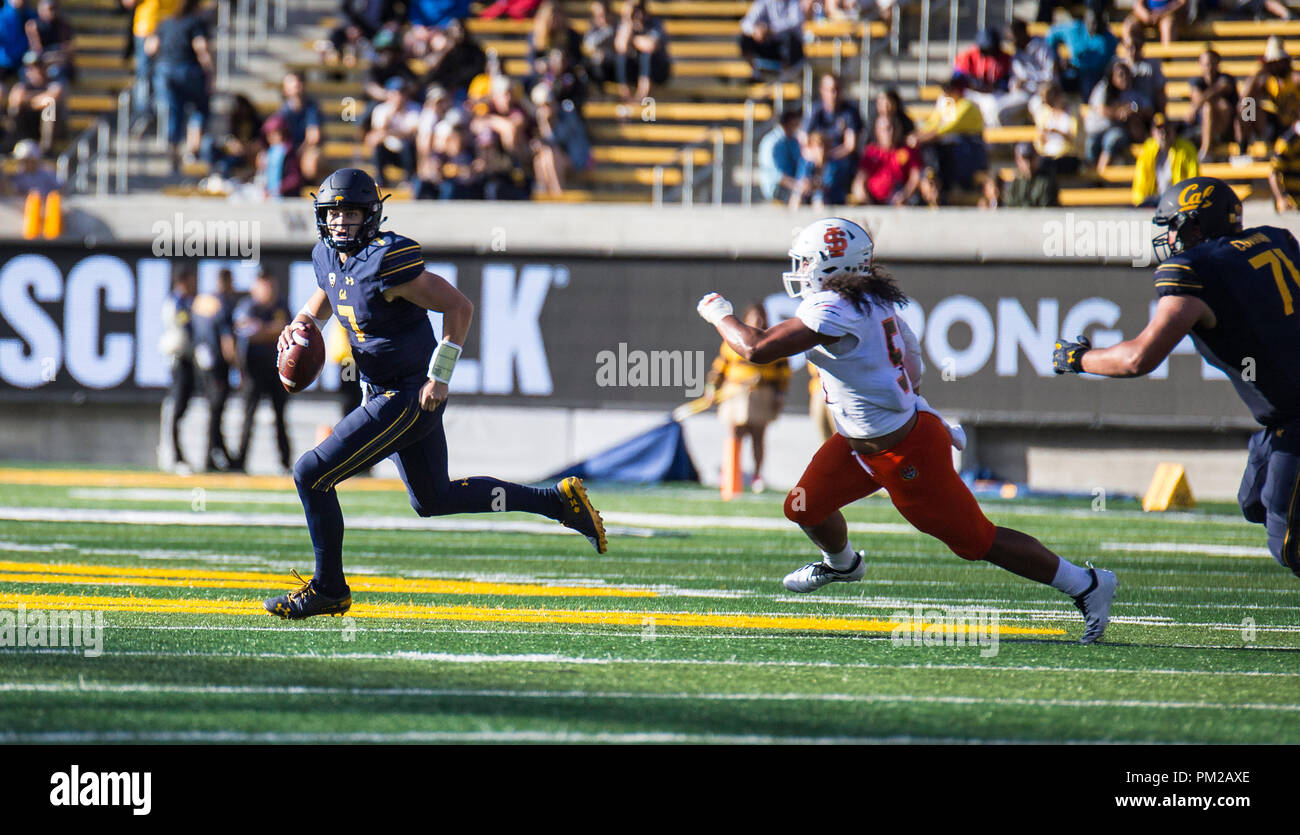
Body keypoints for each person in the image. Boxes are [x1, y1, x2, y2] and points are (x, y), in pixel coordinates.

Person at [695, 217, 1117, 644]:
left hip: (904, 453)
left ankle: (1086, 584)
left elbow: (756, 348)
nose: (800, 270)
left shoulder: (834, 307)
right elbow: (913, 367)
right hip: (859, 445)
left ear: (830, 265)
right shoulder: (874, 303)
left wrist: (719, 313)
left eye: (806, 262)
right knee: (803, 506)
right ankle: (842, 564)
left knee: (976, 542)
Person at [263, 168, 607, 619]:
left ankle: (329, 586)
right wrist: (302, 324)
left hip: (407, 395)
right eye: (334, 214)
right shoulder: (327, 256)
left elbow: (458, 305)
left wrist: (439, 374)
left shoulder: (388, 261)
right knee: (433, 499)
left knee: (311, 472)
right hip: (381, 391)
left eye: (351, 213)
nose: (341, 223)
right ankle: (558, 502)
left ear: (371, 215)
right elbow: (327, 295)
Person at [1052, 176, 1300, 581]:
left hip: (1294, 418)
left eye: (1174, 225)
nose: (1168, 235)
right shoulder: (1276, 239)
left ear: (1197, 225)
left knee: (1289, 540)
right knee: (1254, 499)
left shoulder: (1196, 271)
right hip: (1281, 420)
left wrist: (1079, 359)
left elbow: (1138, 358)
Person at [707, 302, 791, 493]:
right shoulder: (733, 340)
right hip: (735, 392)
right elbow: (719, 367)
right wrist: (711, 387)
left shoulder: (772, 340)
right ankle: (731, 474)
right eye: (754, 316)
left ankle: (757, 476)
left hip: (761, 392)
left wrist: (780, 394)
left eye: (761, 316)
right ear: (746, 319)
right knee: (734, 433)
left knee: (758, 435)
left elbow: (783, 372)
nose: (758, 321)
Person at [233, 270, 291, 474]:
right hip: (253, 369)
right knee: (249, 415)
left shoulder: (281, 305)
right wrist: (270, 331)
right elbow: (246, 331)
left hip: (276, 369)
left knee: (280, 416)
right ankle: (240, 461)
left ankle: (285, 461)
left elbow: (285, 329)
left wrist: (263, 330)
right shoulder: (248, 306)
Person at [147, 0, 212, 172]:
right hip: (189, 70)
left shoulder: (165, 23)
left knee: (174, 111)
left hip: (166, 71)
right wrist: (211, 72)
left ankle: (174, 148)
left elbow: (150, 48)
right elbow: (201, 48)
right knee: (200, 108)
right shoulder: (196, 23)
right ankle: (192, 149)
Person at [190, 268, 239, 472]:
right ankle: (211, 455)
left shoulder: (201, 301)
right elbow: (227, 340)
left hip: (201, 362)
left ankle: (218, 453)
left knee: (213, 409)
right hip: (218, 364)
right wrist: (238, 366)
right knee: (217, 410)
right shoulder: (222, 304)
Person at [799, 73, 862, 205]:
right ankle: (800, 198)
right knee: (804, 165)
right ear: (822, 90)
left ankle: (823, 197)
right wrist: (818, 155)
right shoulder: (815, 111)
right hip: (817, 158)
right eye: (830, 90)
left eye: (837, 89)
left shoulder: (850, 113)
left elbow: (850, 146)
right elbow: (803, 141)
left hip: (839, 159)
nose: (833, 94)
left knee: (835, 170)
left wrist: (827, 155)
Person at [1084, 60, 1152, 174]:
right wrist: (1118, 113)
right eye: (1120, 75)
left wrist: (1134, 111)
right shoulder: (1104, 89)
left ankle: (1099, 174)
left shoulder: (1135, 93)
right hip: (1100, 128)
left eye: (1126, 74)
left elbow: (1148, 110)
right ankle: (1091, 175)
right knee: (1091, 143)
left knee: (1111, 140)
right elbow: (1100, 109)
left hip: (1121, 130)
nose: (1124, 78)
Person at [160, 266, 197, 473]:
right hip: (179, 358)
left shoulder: (180, 301)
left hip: (184, 358)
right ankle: (175, 456)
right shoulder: (179, 302)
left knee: (180, 408)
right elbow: (187, 326)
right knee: (177, 407)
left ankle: (176, 455)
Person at [1046, 8, 1117, 97]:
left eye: (1099, 23)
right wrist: (1056, 59)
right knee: (1052, 79)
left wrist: (1076, 65)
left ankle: (1086, 106)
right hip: (1071, 71)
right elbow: (1051, 34)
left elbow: (1101, 65)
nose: (1096, 26)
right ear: (1085, 20)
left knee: (1088, 82)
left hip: (1093, 76)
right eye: (1093, 22)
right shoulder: (1074, 29)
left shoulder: (1110, 40)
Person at [1187, 47, 1241, 162]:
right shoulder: (1196, 81)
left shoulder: (1226, 78)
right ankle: (1206, 149)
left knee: (1220, 106)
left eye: (1212, 63)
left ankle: (1206, 151)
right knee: (1209, 108)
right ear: (1200, 64)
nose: (1209, 67)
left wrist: (1195, 107)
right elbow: (1197, 96)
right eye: (1206, 64)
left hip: (1227, 130)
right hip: (1200, 128)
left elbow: (1223, 87)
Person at [1131, 113, 1198, 206]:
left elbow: (1194, 179)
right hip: (1155, 202)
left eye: (1167, 129)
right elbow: (1140, 184)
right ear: (1152, 132)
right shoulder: (1147, 151)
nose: (1163, 133)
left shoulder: (1186, 149)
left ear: (1173, 130)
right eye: (1159, 129)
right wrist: (1140, 203)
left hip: (1179, 201)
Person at [853, 115, 921, 206]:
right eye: (886, 129)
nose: (890, 132)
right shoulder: (870, 152)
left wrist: (905, 194)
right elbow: (861, 178)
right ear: (877, 131)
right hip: (874, 200)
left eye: (893, 127)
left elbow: (915, 176)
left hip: (900, 198)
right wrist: (868, 202)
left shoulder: (907, 151)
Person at [1244, 36, 1299, 146]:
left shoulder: (1295, 79)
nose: (1275, 66)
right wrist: (1256, 75)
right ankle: (1246, 144)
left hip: (1295, 126)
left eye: (1278, 62)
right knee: (1247, 106)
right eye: (1271, 62)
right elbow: (1245, 98)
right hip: (1276, 124)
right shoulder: (1267, 80)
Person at [614, 0, 670, 104]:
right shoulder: (626, 24)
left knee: (646, 54)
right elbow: (621, 47)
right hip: (635, 72)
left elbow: (650, 46)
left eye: (638, 11)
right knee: (621, 57)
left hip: (657, 70)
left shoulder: (654, 23)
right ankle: (625, 94)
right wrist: (628, 21)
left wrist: (633, 39)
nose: (637, 15)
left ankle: (642, 95)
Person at [738, 0, 807, 75]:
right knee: (744, 38)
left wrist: (770, 29)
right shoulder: (764, 2)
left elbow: (795, 21)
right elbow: (746, 22)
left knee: (791, 38)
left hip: (788, 48)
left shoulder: (793, 2)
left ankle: (787, 70)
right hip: (770, 46)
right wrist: (755, 31)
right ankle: (756, 68)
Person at [757, 106, 803, 202]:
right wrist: (797, 186)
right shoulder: (771, 142)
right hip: (776, 188)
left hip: (792, 184)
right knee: (801, 199)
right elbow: (775, 175)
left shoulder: (793, 140)